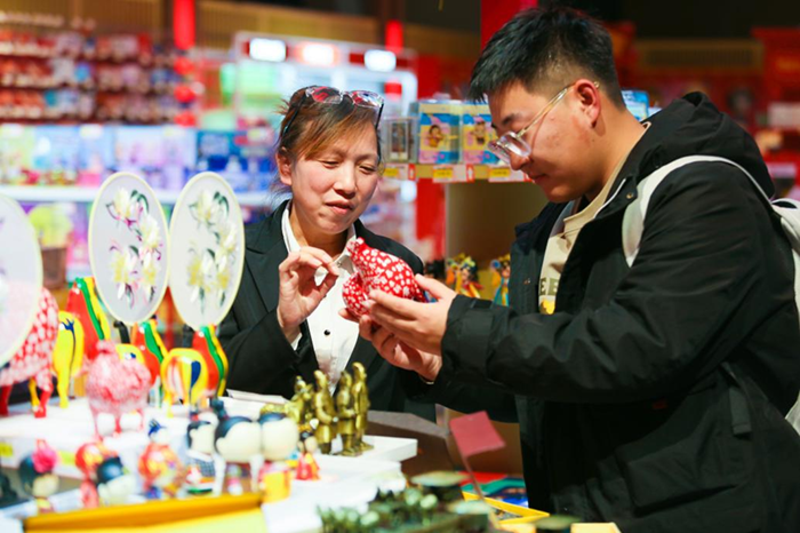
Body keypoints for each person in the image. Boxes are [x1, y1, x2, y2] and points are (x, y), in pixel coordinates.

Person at [353, 7, 800, 532]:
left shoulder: (704, 194)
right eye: (503, 141)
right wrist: (437, 363)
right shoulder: (558, 221)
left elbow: (631, 349)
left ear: (586, 100)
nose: (514, 159)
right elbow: (554, 380)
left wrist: (461, 326)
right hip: (593, 512)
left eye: (519, 132)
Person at [218, 85, 434, 422]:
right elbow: (208, 379)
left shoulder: (400, 264)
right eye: (330, 162)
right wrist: (282, 324)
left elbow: (412, 399)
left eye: (366, 168)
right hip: (265, 453)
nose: (348, 184)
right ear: (286, 166)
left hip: (372, 454)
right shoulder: (231, 257)